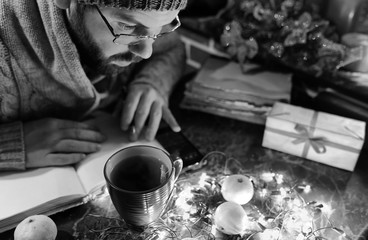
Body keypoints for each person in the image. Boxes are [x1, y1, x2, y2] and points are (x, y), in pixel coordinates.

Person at [0, 0, 187, 171]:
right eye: (128, 26)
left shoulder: (150, 17)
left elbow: (172, 47)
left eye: (161, 29)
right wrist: (11, 144)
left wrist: (151, 82)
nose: (146, 52)